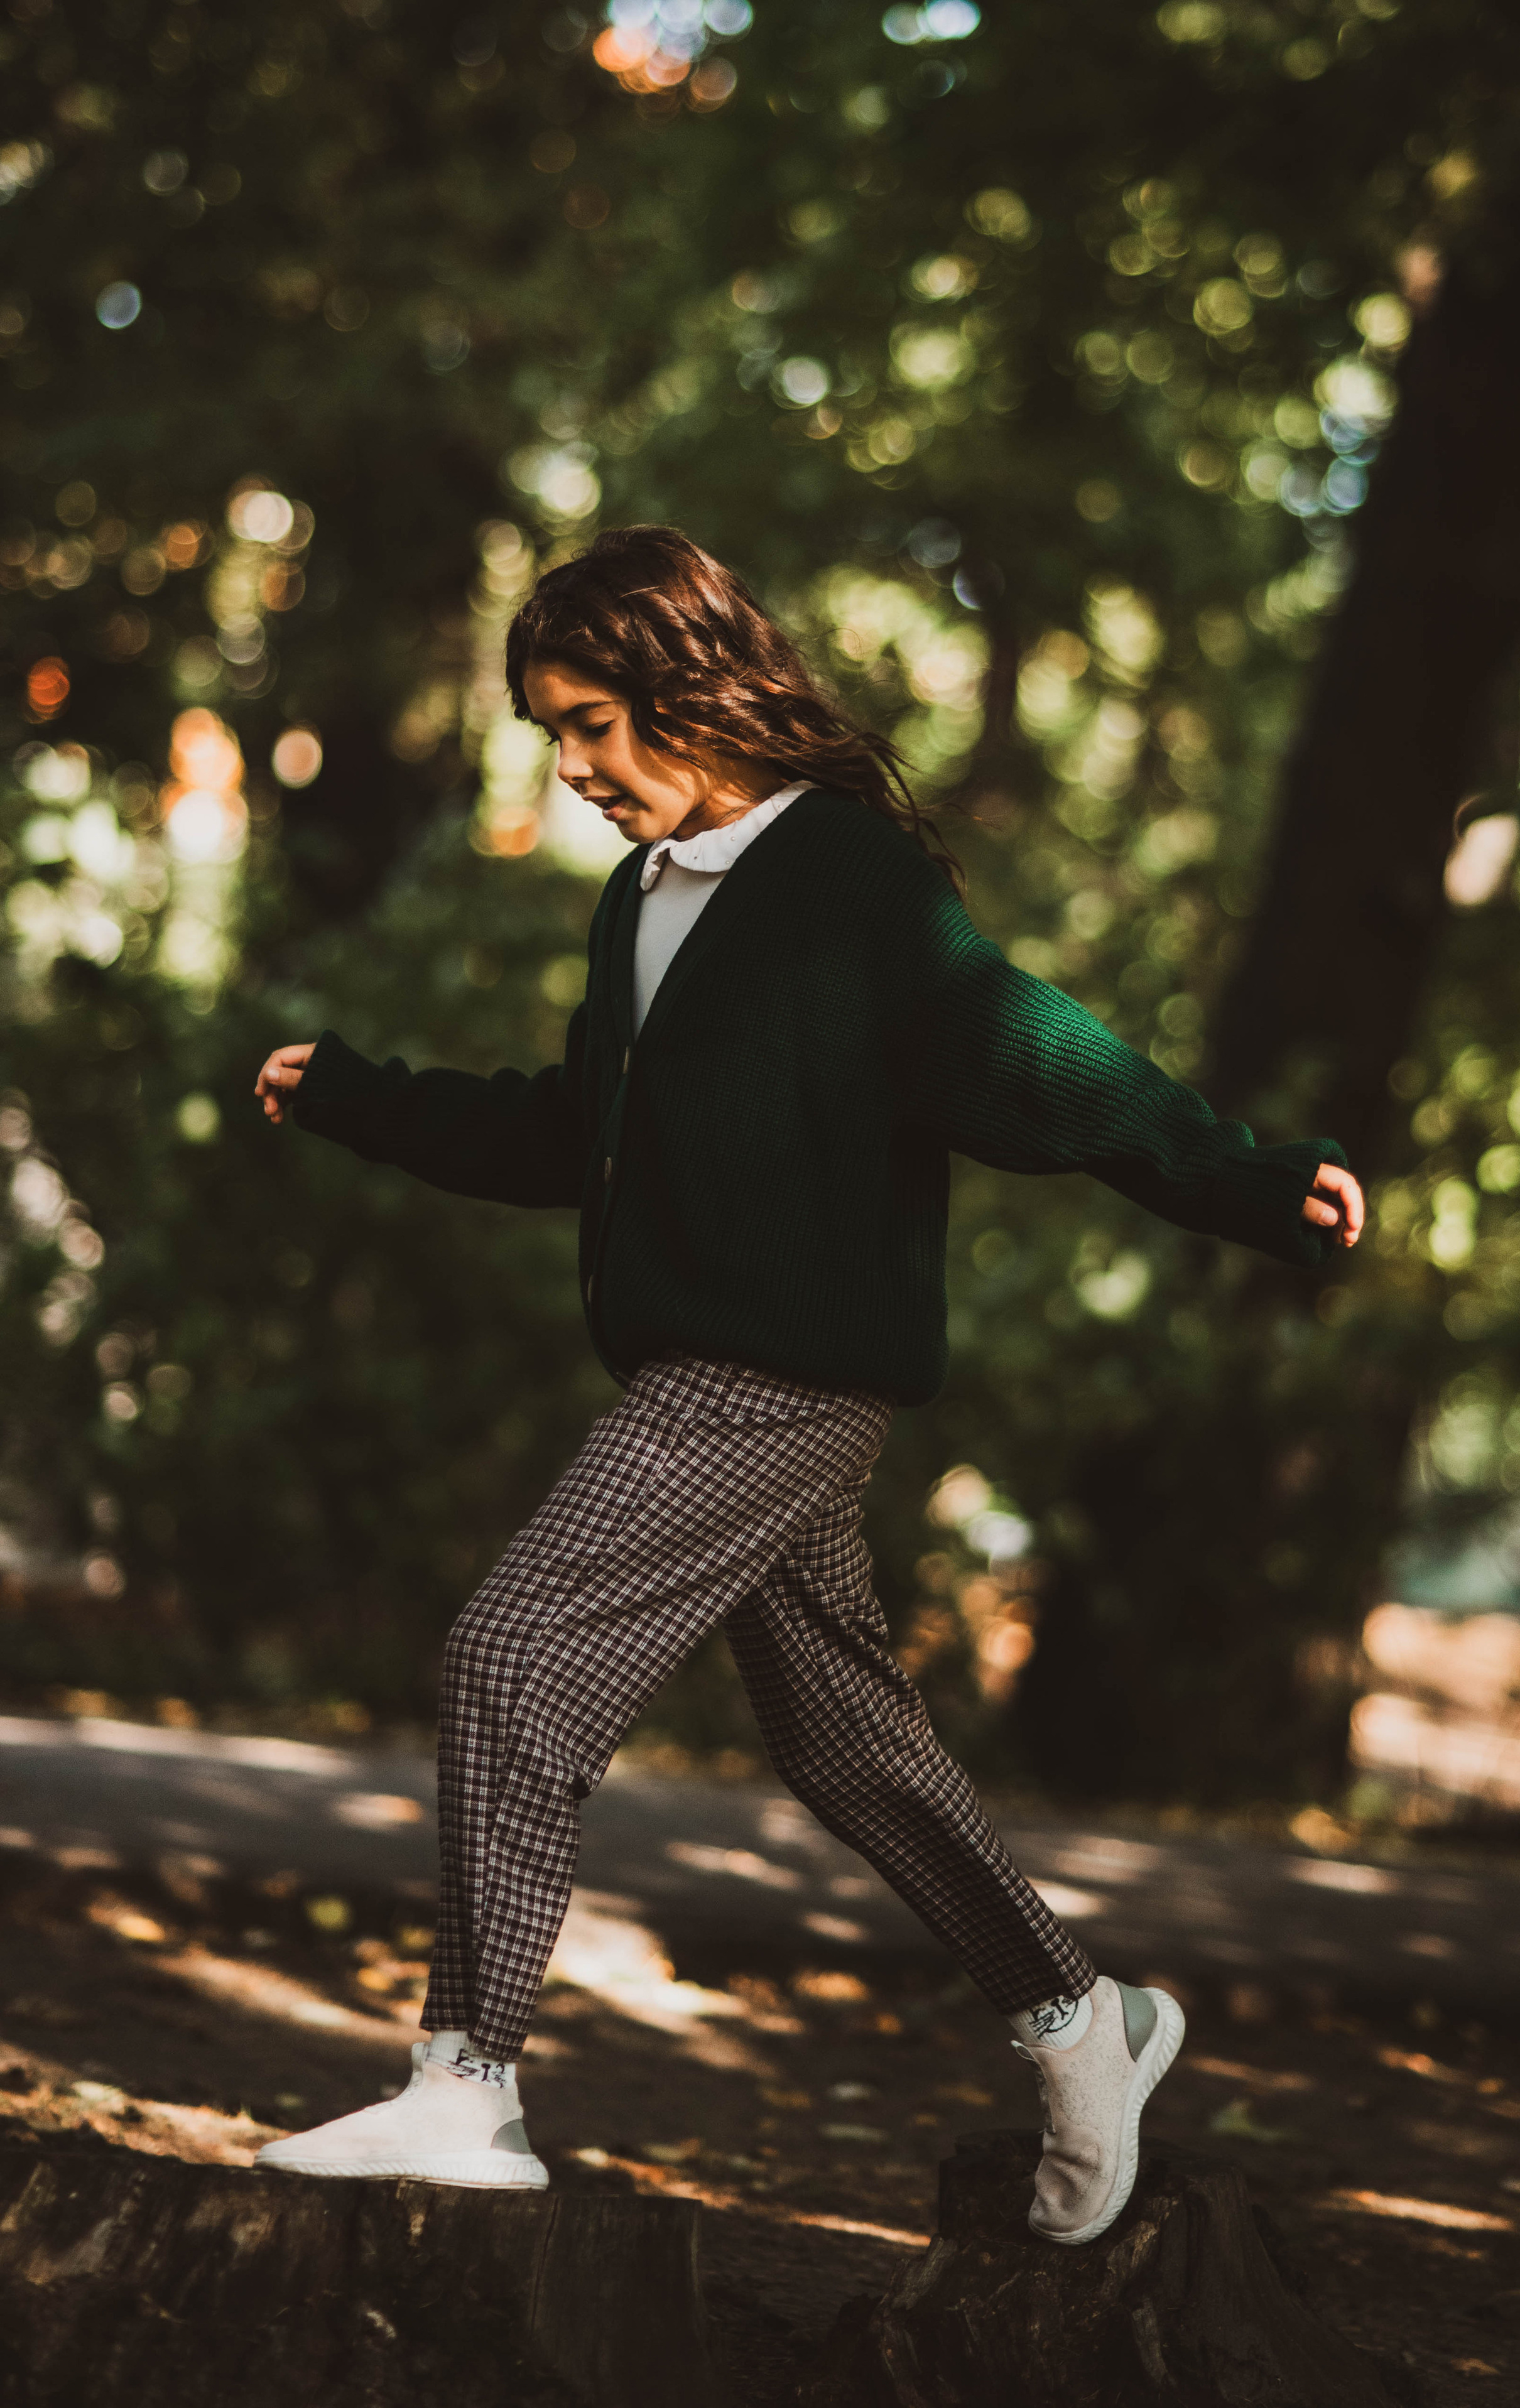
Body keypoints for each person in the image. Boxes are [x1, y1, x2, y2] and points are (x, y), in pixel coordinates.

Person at [251, 524, 1364, 2240]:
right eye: (554, 729)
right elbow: (570, 1135)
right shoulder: (643, 902)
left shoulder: (845, 884)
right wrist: (358, 1092)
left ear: (693, 691)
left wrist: (1245, 1178)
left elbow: (1037, 1057)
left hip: (777, 1376)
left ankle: (469, 2081)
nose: (574, 766)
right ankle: (1087, 2019)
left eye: (598, 721)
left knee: (512, 1648)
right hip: (711, 1367)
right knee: (853, 1746)